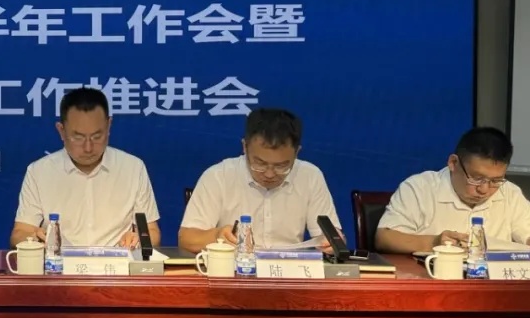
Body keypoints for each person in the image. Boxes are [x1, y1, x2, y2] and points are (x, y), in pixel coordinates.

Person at [11, 87, 160, 248]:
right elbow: (20, 232)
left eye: (97, 136)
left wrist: (139, 239)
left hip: (118, 261)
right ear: (61, 131)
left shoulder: (133, 168)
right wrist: (34, 238)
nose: (88, 148)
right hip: (59, 261)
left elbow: (152, 232)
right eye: (78, 137)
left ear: (109, 126)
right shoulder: (39, 171)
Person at [179, 108, 340, 253]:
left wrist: (332, 244)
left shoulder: (310, 176)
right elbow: (186, 240)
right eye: (260, 163)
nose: (269, 174)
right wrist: (217, 236)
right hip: (234, 270)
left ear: (297, 152)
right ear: (244, 147)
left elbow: (332, 238)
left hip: (291, 271)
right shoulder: (218, 176)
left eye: (281, 166)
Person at [376, 126, 530, 252]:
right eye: (476, 178)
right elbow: (385, 238)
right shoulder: (420, 188)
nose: (484, 190)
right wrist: (434, 242)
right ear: (453, 163)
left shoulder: (510, 193)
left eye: (495, 180)